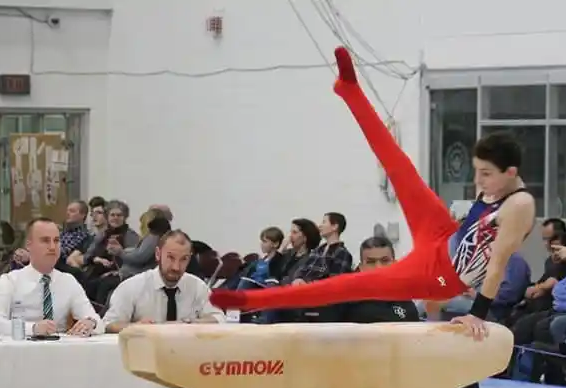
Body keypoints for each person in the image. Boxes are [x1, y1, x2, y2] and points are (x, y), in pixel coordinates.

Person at [210, 47, 536, 344]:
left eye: (485, 174)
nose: (477, 180)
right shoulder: (495, 178)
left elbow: (497, 265)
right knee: (398, 165)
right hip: (442, 235)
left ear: (510, 173)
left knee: (348, 286)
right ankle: (350, 90)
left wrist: (477, 314)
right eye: (477, 171)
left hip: (440, 275)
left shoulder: (519, 205)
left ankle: (248, 301)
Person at [343, 236, 502, 388]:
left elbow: (417, 334)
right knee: (398, 385)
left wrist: (446, 326)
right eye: (371, 262)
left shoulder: (402, 296)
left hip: (407, 371)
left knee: (464, 380)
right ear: (360, 266)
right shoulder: (348, 296)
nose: (378, 267)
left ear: (394, 262)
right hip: (367, 376)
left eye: (385, 260)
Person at [0, 217, 102, 337]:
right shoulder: (10, 281)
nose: (52, 247)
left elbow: (97, 321)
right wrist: (33, 328)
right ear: (29, 245)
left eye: (56, 240)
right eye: (45, 240)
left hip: (59, 346)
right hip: (21, 345)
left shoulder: (68, 281)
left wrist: (91, 323)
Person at [102, 230, 225, 332]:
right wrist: (135, 327)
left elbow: (219, 318)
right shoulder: (132, 287)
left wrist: (192, 324)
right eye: (170, 257)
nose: (176, 267)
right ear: (157, 254)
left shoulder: (198, 286)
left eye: (184, 259)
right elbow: (109, 324)